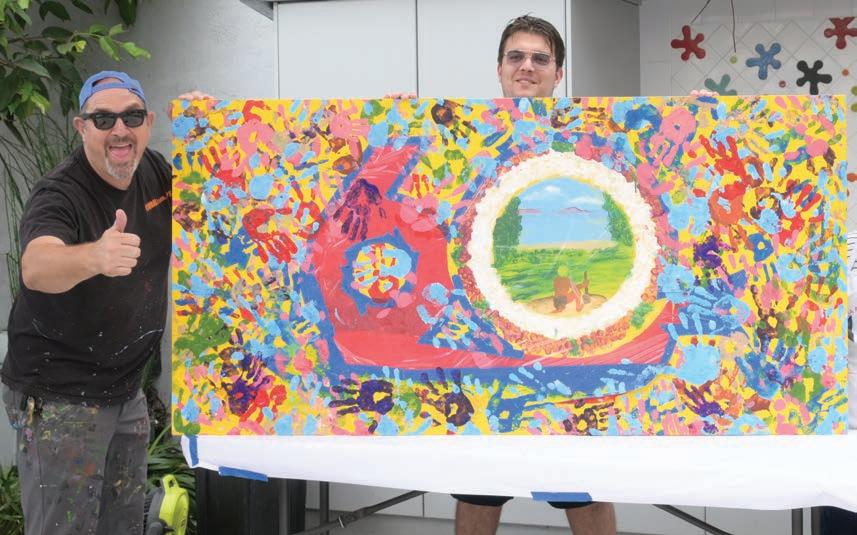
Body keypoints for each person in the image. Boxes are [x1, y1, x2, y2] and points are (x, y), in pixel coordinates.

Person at [0, 70, 202, 535]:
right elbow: (36, 266)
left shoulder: (155, 172)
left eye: (132, 116)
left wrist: (209, 129)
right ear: (81, 127)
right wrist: (95, 256)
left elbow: (220, 196)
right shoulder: (60, 193)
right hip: (60, 396)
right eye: (103, 119)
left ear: (149, 122)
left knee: (123, 523)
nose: (119, 130)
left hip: (125, 390)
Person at [451, 15, 618, 535]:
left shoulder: (589, 133)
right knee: (478, 493)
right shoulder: (465, 138)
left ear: (558, 72)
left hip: (575, 351)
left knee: (585, 494)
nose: (527, 66)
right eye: (516, 57)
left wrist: (705, 116)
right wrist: (386, 119)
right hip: (486, 346)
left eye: (540, 59)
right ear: (499, 67)